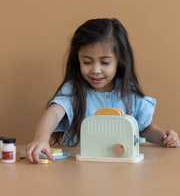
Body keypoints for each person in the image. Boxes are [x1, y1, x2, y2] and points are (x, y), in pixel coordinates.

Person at [26, 18, 180, 164]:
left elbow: (143, 127)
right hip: (77, 166)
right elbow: (54, 112)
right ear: (77, 59)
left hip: (120, 167)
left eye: (105, 62)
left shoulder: (128, 92)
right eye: (87, 62)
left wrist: (163, 137)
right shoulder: (74, 90)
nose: (95, 70)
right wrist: (41, 138)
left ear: (120, 60)